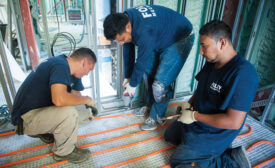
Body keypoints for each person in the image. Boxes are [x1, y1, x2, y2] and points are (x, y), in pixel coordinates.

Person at [164, 20, 258, 168]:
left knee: (179, 162)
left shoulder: (244, 74)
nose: (201, 52)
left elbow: (234, 122)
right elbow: (200, 87)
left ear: (221, 43)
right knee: (169, 136)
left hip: (215, 131)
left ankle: (231, 161)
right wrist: (188, 104)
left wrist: (194, 116)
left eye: (204, 46)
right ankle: (209, 152)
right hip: (200, 119)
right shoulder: (211, 61)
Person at [103, 5, 194, 130]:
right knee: (147, 74)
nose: (121, 43)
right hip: (160, 37)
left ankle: (156, 117)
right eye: (119, 41)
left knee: (160, 84)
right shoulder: (125, 20)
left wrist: (133, 84)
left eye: (122, 39)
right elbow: (128, 51)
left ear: (128, 27)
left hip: (179, 38)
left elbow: (141, 61)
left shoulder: (144, 30)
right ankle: (149, 106)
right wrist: (128, 77)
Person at [11, 48, 98, 163]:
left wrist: (87, 108)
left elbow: (76, 96)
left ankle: (46, 131)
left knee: (83, 113)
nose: (87, 74)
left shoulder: (71, 71)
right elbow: (59, 100)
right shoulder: (60, 66)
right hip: (24, 120)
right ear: (83, 63)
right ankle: (63, 152)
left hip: (38, 111)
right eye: (89, 69)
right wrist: (86, 100)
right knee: (69, 113)